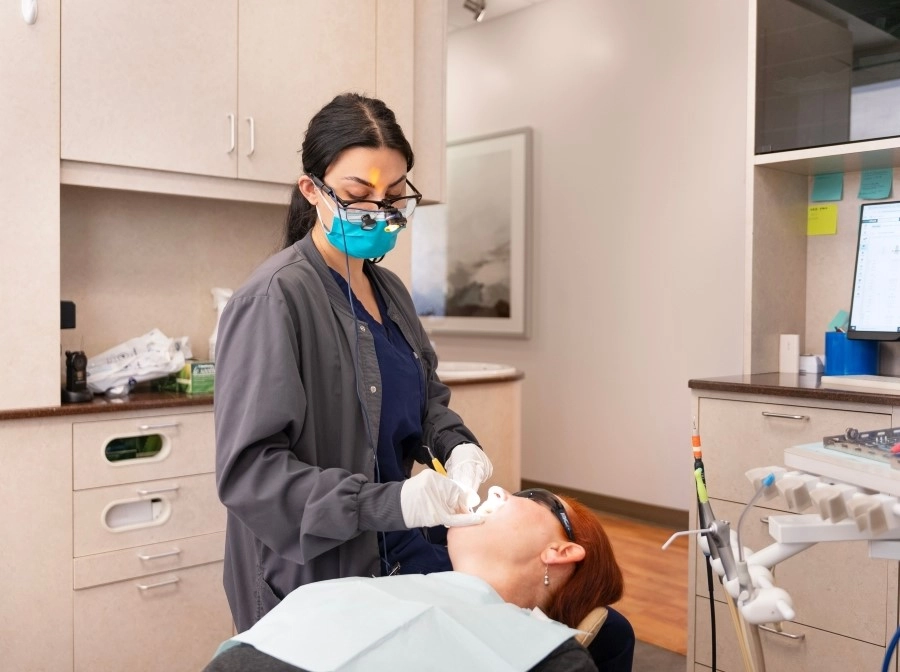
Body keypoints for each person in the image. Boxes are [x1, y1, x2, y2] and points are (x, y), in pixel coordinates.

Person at [214, 92, 494, 633]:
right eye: (357, 195)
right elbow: (251, 476)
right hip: (316, 573)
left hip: (394, 551)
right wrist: (391, 503)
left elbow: (424, 399)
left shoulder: (388, 290)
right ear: (311, 191)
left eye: (394, 198)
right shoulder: (274, 299)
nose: (380, 213)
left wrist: (456, 445)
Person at [202, 487, 626, 672]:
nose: (498, 492)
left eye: (534, 498)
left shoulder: (547, 660)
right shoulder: (381, 585)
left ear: (562, 551)